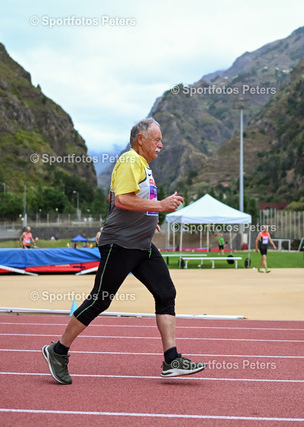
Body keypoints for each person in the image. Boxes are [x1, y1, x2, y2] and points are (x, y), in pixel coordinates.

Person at [42, 118, 205, 384]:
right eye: (157, 140)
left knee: (166, 293)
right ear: (141, 139)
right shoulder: (131, 160)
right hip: (120, 244)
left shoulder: (142, 165)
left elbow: (121, 199)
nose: (161, 145)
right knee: (100, 300)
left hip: (142, 245)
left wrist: (149, 218)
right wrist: (160, 206)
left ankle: (171, 359)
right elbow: (122, 200)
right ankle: (57, 351)